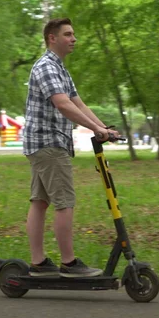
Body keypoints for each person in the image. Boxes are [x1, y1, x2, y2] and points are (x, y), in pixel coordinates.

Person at [23, 18, 119, 278]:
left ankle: (39, 263)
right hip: (48, 142)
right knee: (63, 203)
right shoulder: (46, 67)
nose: (74, 38)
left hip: (44, 143)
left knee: (40, 201)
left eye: (73, 34)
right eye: (68, 34)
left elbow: (78, 104)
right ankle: (69, 263)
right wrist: (95, 130)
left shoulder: (60, 69)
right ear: (52, 38)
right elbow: (63, 105)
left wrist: (104, 129)